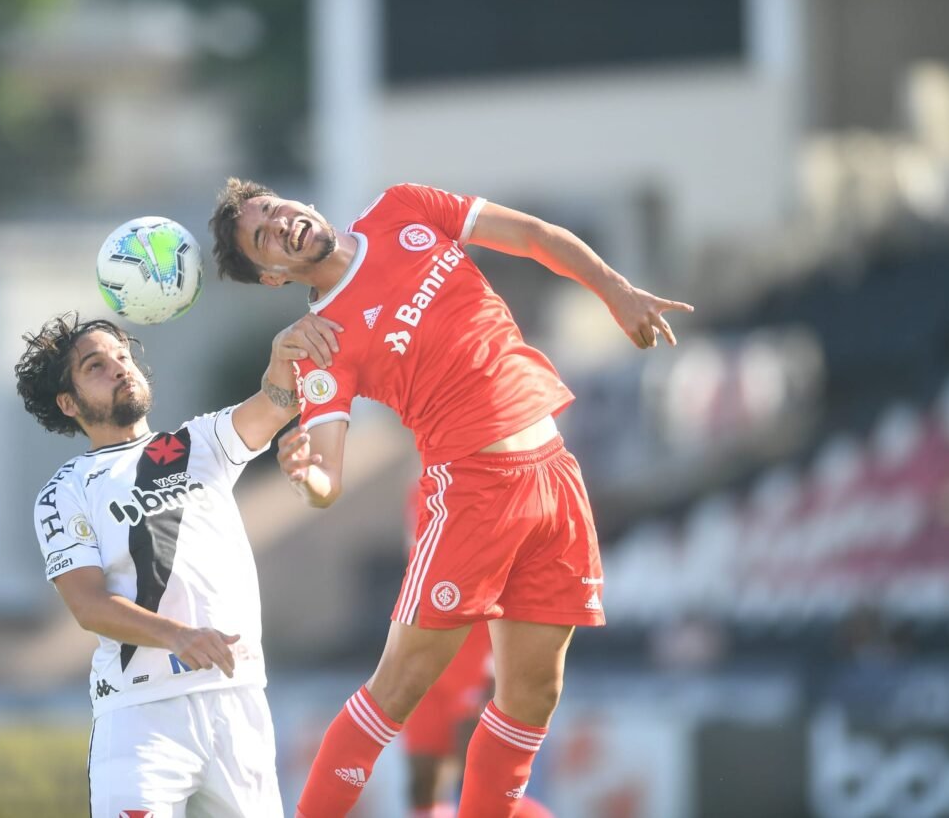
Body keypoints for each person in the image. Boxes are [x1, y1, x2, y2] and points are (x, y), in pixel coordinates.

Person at [208, 179, 693, 817]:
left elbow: (532, 236)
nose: (279, 225)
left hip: (554, 475)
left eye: (273, 210)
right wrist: (305, 472)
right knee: (400, 686)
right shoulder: (320, 338)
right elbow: (327, 475)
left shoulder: (400, 206)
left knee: (533, 696)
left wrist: (615, 289)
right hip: (471, 492)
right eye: (263, 237)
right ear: (272, 275)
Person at [14, 310, 341, 818]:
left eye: (123, 357)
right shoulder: (64, 492)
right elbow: (88, 605)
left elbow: (278, 402)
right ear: (68, 402)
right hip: (140, 716)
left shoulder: (200, 443)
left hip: (238, 700)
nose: (120, 368)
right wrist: (177, 636)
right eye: (95, 366)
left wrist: (284, 353)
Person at [399, 487, 556, 818]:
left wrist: (500, 655)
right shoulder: (421, 491)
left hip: (476, 648)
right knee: (422, 779)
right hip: (427, 649)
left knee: (482, 778)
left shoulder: (498, 483)